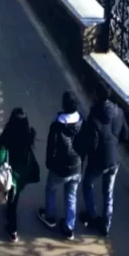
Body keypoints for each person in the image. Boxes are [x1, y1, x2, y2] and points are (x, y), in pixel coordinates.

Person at [78, 83, 128, 236]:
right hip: (115, 160)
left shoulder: (94, 117)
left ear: (96, 96)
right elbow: (125, 135)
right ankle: (106, 224)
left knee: (87, 184)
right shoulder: (119, 111)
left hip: (98, 161)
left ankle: (92, 216)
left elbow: (91, 144)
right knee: (108, 191)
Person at [38, 91, 84, 240]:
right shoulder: (82, 122)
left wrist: (49, 163)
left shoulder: (57, 125)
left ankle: (50, 217)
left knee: (51, 188)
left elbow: (51, 147)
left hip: (60, 167)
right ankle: (69, 227)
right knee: (71, 195)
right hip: (77, 165)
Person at [0, 108, 40, 242]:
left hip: (13, 175)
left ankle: (12, 230)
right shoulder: (29, 134)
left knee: (12, 201)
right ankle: (10, 203)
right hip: (26, 172)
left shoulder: (8, 136)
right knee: (16, 194)